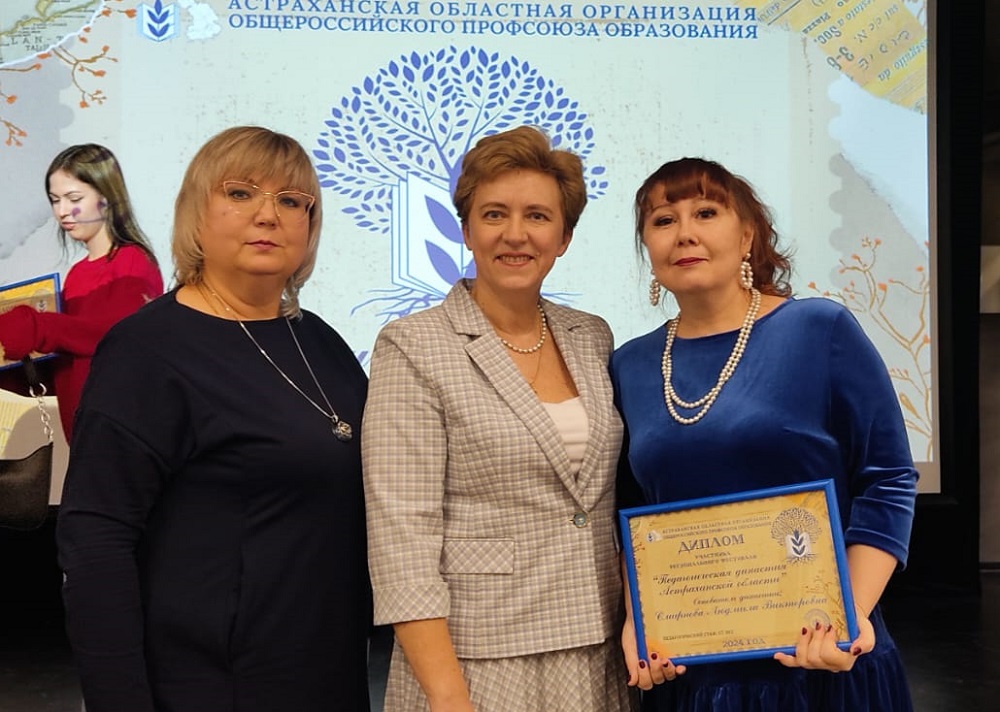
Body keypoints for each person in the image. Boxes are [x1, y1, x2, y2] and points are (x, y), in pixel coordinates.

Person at [56, 126, 371, 712]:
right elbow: (97, 541)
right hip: (208, 685)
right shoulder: (146, 350)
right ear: (195, 213)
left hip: (325, 674)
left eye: (291, 201)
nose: (268, 215)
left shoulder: (322, 342)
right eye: (240, 193)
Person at [612, 157, 917, 711]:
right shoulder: (630, 365)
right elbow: (632, 514)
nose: (685, 233)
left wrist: (849, 613)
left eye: (706, 212)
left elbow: (888, 477)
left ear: (747, 235)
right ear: (648, 248)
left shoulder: (820, 329)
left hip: (822, 665)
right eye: (663, 220)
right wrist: (640, 621)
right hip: (691, 675)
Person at [362, 125, 636, 712]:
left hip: (597, 650)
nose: (516, 234)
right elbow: (401, 539)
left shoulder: (590, 335)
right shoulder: (413, 345)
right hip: (475, 661)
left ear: (564, 236)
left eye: (537, 216)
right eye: (494, 214)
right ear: (466, 230)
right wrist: (447, 695)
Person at [0, 143, 163, 440]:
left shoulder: (133, 261)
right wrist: (16, 368)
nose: (62, 211)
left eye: (74, 198)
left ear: (106, 197)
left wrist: (35, 326)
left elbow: (115, 337)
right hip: (83, 437)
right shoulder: (77, 274)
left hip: (123, 434)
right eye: (55, 200)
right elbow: (70, 362)